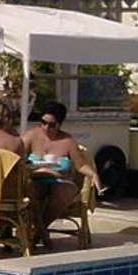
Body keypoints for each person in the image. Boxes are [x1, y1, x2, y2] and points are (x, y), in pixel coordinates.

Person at [23, 101, 97, 245]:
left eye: (52, 125)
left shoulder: (67, 141)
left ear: (60, 124)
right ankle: (40, 232)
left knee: (66, 190)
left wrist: (94, 174)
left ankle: (39, 230)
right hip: (35, 179)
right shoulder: (30, 136)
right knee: (31, 190)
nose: (46, 128)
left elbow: (81, 165)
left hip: (58, 181)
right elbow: (18, 160)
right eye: (43, 123)